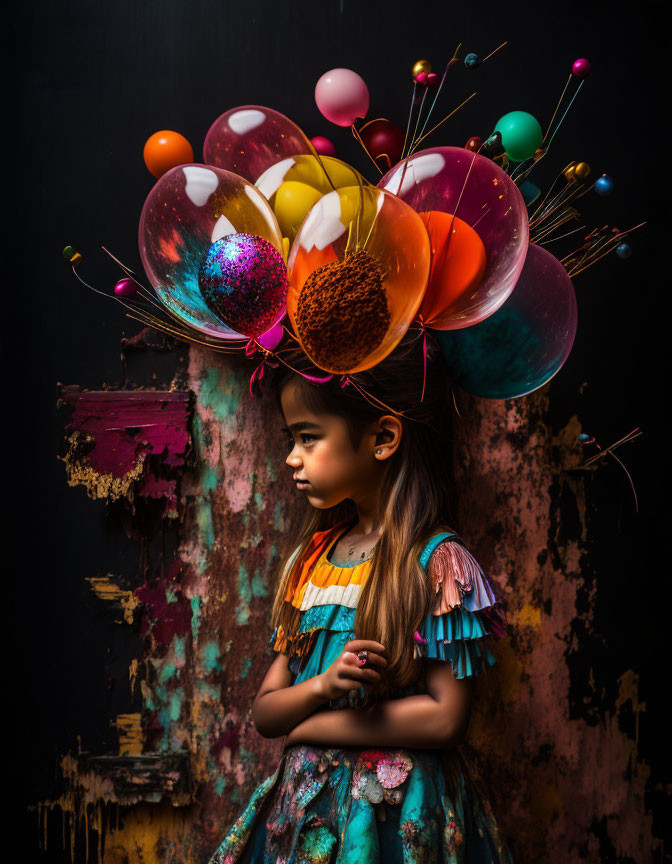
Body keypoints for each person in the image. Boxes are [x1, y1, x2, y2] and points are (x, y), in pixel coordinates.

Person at [208, 328, 514, 864]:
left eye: (308, 437)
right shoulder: (314, 561)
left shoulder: (437, 564)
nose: (291, 459)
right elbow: (266, 711)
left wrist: (314, 726)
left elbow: (446, 719)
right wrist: (324, 684)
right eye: (290, 441)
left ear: (382, 437)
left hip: (398, 817)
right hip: (310, 816)